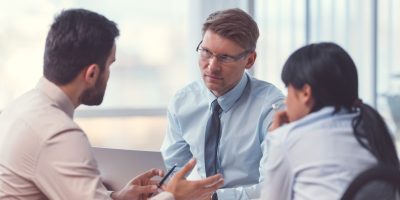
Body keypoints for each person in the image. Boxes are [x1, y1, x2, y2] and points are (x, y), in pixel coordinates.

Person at [0, 8, 223, 200]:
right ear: (92, 73)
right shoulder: (58, 133)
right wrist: (173, 195)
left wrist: (115, 197)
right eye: (109, 65)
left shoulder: (19, 108)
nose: (109, 75)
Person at [161, 8, 284, 199]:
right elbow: (171, 172)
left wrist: (212, 198)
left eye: (225, 58)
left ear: (249, 60)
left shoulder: (271, 108)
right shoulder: (183, 102)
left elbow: (274, 188)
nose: (212, 66)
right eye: (206, 52)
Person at [260, 42, 400, 200]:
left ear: (305, 93)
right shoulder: (372, 129)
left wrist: (273, 140)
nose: (286, 101)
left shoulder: (286, 139)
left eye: (288, 89)